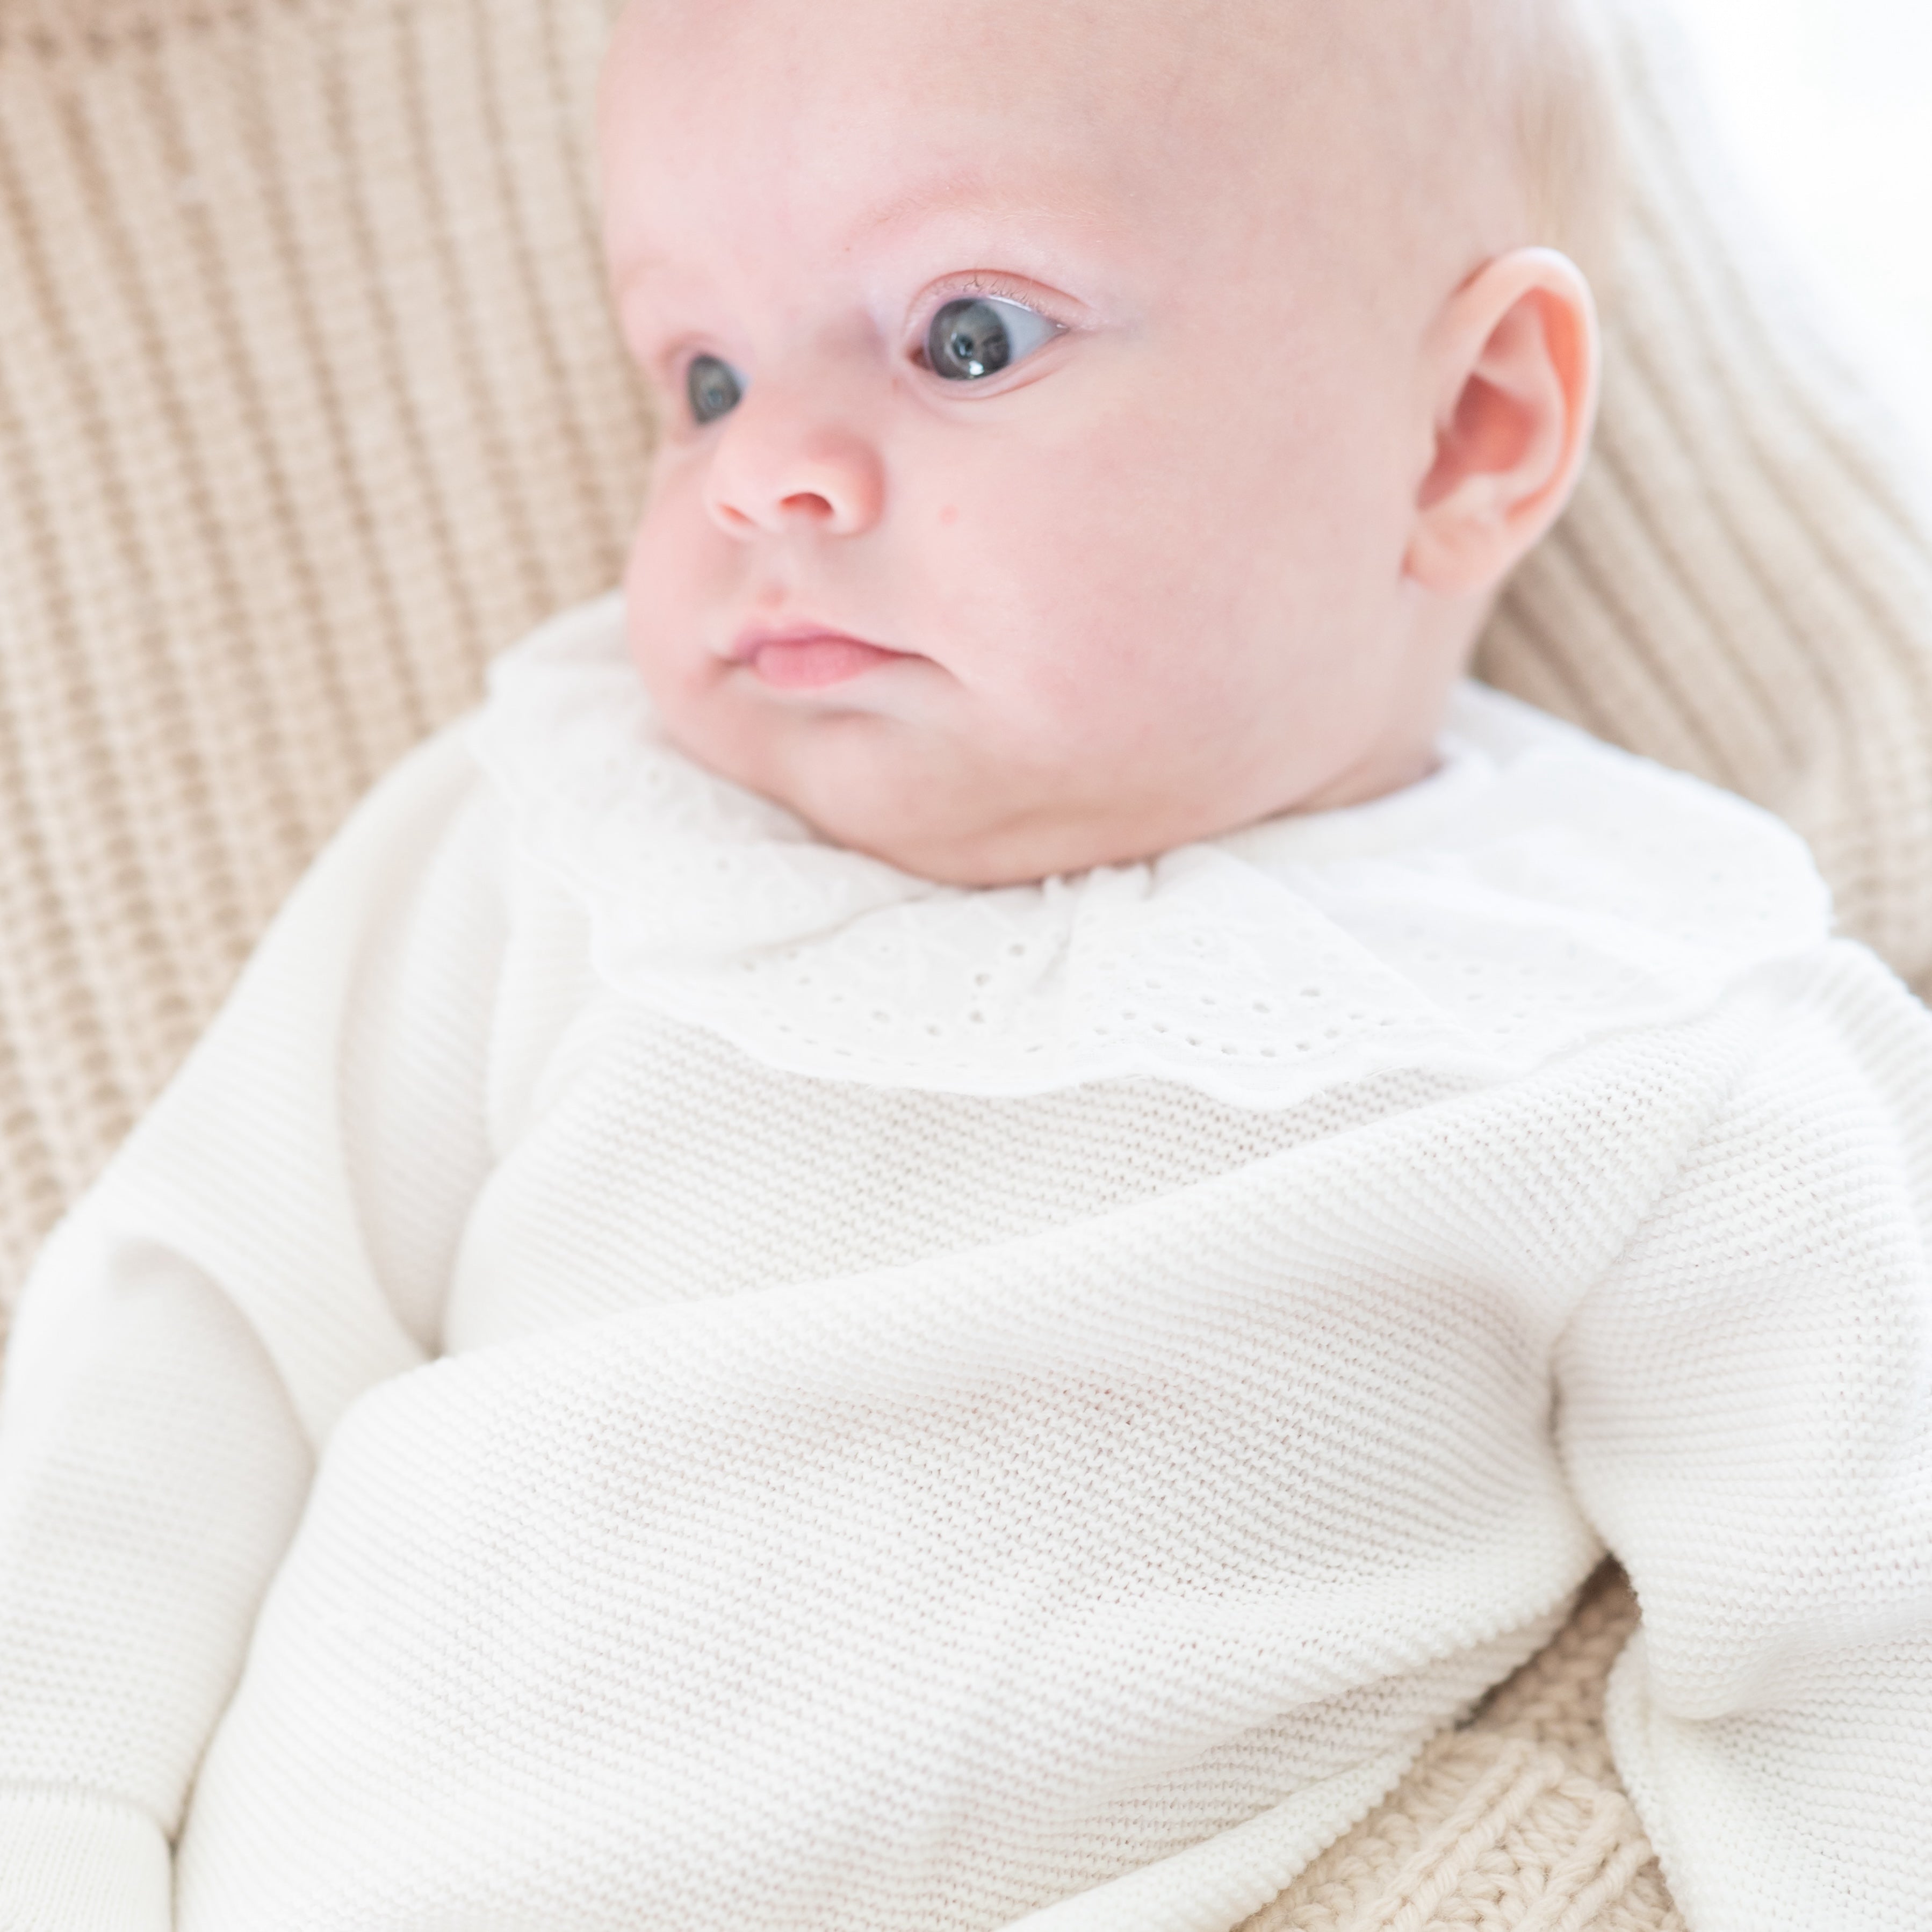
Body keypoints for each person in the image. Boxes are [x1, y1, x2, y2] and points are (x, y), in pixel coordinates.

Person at [0, 0, 1926, 1926]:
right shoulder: (577, 833)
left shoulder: (1639, 1010)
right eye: (705, 377)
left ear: (1470, 428)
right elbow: (196, 1329)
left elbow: (1874, 1656)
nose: (767, 475)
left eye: (968, 337)